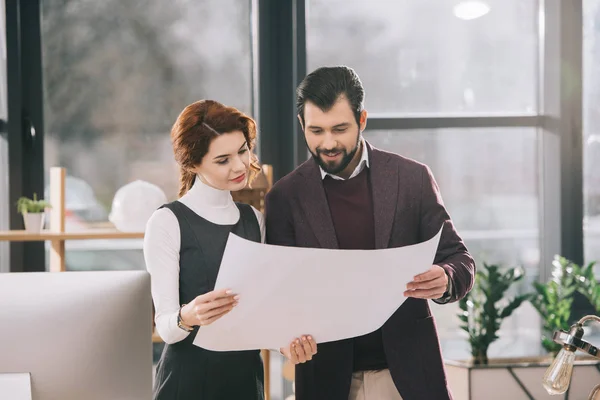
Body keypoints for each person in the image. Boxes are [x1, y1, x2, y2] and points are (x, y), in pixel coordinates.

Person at [266, 66, 476, 400]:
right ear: (301, 124)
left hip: (408, 376)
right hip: (325, 378)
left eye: (340, 128)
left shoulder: (412, 179)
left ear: (362, 120)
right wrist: (284, 338)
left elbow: (459, 258)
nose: (328, 143)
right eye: (316, 130)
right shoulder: (284, 197)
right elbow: (278, 292)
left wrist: (446, 276)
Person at [144, 99, 311, 400]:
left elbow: (257, 314)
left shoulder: (254, 220)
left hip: (245, 382)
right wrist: (190, 315)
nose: (239, 166)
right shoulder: (168, 222)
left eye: (243, 150)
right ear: (193, 164)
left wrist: (285, 344)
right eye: (222, 160)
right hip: (187, 384)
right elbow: (166, 328)